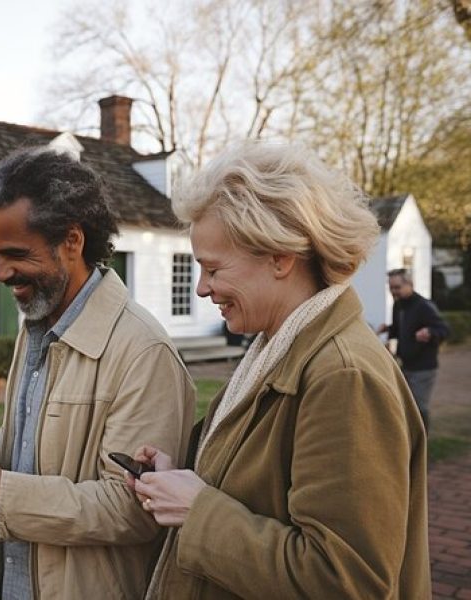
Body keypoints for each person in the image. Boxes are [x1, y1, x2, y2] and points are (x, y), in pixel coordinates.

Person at [127, 142, 430, 598]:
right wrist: (182, 476)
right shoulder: (277, 348)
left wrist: (199, 509)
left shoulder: (344, 378)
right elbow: (262, 491)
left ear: (279, 257)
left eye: (213, 268)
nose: (203, 288)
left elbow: (347, 582)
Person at [0, 147, 196, 599]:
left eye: (15, 254)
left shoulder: (144, 352)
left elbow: (134, 507)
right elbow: (27, 438)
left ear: (72, 241)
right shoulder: (36, 327)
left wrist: (0, 493)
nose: (1, 273)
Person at [377, 268, 450, 432]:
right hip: (406, 365)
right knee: (404, 406)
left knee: (418, 408)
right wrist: (388, 329)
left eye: (397, 287)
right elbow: (400, 330)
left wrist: (430, 332)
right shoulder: (398, 305)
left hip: (424, 368)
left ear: (410, 284)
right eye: (391, 287)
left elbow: (444, 329)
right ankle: (410, 444)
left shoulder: (424, 306)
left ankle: (422, 445)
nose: (393, 291)